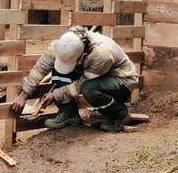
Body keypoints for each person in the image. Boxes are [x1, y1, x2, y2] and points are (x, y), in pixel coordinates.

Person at [10, 26, 139, 132]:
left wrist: (56, 94)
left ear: (82, 54)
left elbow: (81, 84)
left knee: (89, 89)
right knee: (61, 70)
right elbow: (40, 68)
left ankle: (119, 114)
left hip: (121, 80)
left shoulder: (101, 55)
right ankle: (69, 113)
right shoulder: (63, 45)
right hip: (96, 75)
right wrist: (24, 94)